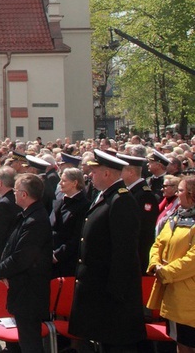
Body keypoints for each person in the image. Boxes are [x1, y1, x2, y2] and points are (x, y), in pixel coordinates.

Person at [69, 150, 145, 351]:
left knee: (116, 345)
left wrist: (115, 293)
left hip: (112, 295)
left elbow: (124, 252)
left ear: (107, 174)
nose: (90, 176)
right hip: (100, 290)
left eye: (94, 172)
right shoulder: (106, 196)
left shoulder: (121, 200)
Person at [0, 174, 53, 353]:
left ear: (25, 195)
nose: (14, 195)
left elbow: (22, 257)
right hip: (24, 291)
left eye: (17, 191)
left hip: (30, 293)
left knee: (30, 342)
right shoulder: (28, 215)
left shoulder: (35, 221)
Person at [147, 175, 195, 353]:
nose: (177, 193)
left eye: (181, 190)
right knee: (180, 343)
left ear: (192, 194)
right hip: (173, 294)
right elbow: (158, 244)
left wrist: (166, 271)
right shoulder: (175, 217)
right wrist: (155, 265)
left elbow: (192, 260)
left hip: (189, 297)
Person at [49, 167, 90, 277]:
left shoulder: (84, 205)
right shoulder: (60, 201)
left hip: (67, 262)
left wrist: (57, 255)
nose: (60, 183)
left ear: (75, 183)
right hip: (50, 256)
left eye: (64, 180)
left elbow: (77, 237)